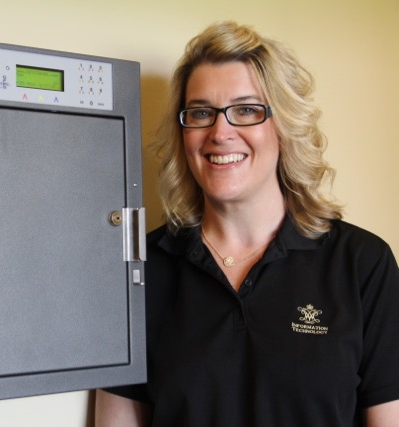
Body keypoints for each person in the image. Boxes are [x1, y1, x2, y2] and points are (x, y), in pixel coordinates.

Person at [95, 21, 399, 426]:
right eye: (201, 112)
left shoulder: (362, 263)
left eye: (246, 110)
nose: (220, 132)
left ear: (284, 127)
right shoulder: (138, 269)